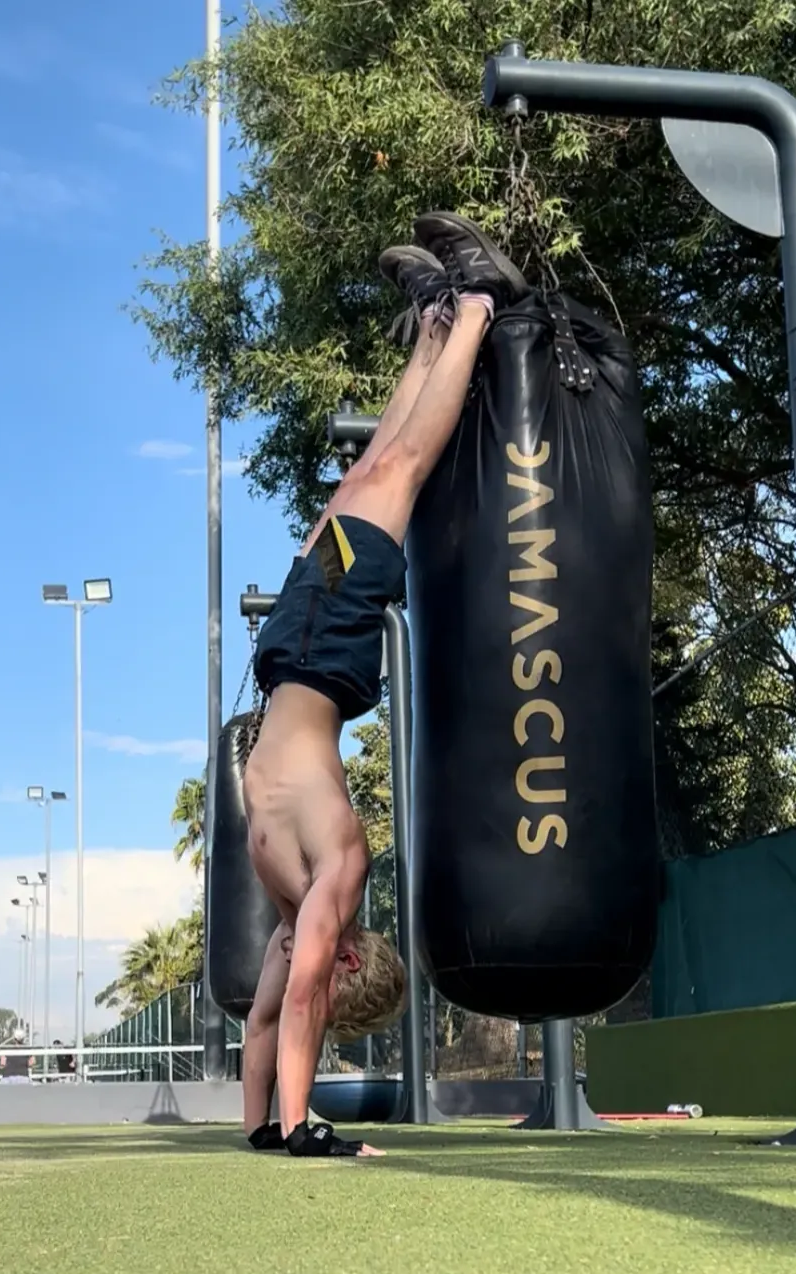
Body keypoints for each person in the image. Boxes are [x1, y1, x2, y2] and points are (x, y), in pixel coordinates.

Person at [241, 212, 530, 1158]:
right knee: (395, 472)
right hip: (321, 656)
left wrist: (271, 1131)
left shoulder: (304, 907)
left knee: (369, 469)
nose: (303, 961)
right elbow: (291, 1003)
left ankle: (447, 320)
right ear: (344, 955)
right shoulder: (327, 875)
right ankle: (477, 309)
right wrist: (288, 1129)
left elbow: (272, 1019)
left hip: (302, 650)